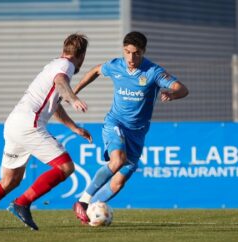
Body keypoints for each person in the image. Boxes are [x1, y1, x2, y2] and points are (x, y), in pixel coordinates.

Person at [0, 33, 92, 232]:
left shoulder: (54, 64)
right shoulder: (66, 66)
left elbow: (54, 105)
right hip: (28, 124)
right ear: (81, 55)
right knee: (65, 167)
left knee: (9, 180)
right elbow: (61, 83)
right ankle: (22, 203)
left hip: (14, 124)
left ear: (63, 50)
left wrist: (73, 127)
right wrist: (73, 99)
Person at [73, 31, 189, 224]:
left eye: (135, 53)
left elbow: (183, 89)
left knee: (118, 183)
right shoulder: (116, 66)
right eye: (127, 52)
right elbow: (95, 70)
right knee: (117, 159)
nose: (130, 58)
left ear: (143, 52)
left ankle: (92, 210)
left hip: (138, 132)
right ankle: (83, 202)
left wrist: (172, 94)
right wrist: (74, 93)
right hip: (115, 123)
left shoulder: (153, 72)